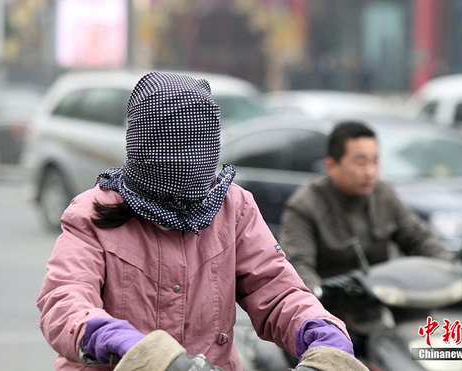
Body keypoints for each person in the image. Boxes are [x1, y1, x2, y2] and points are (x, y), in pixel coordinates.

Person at [36, 72, 369, 371]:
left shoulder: (233, 207)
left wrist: (319, 329)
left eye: (197, 147)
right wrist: (120, 341)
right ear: (142, 144)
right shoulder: (91, 213)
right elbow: (64, 302)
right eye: (174, 147)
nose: (186, 163)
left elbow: (275, 289)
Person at [280, 121, 462, 355]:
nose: (370, 171)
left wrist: (453, 266)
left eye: (375, 161)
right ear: (332, 165)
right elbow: (298, 264)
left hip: (375, 315)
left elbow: (419, 238)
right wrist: (316, 289)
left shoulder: (383, 195)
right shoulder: (305, 206)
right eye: (360, 162)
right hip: (325, 323)